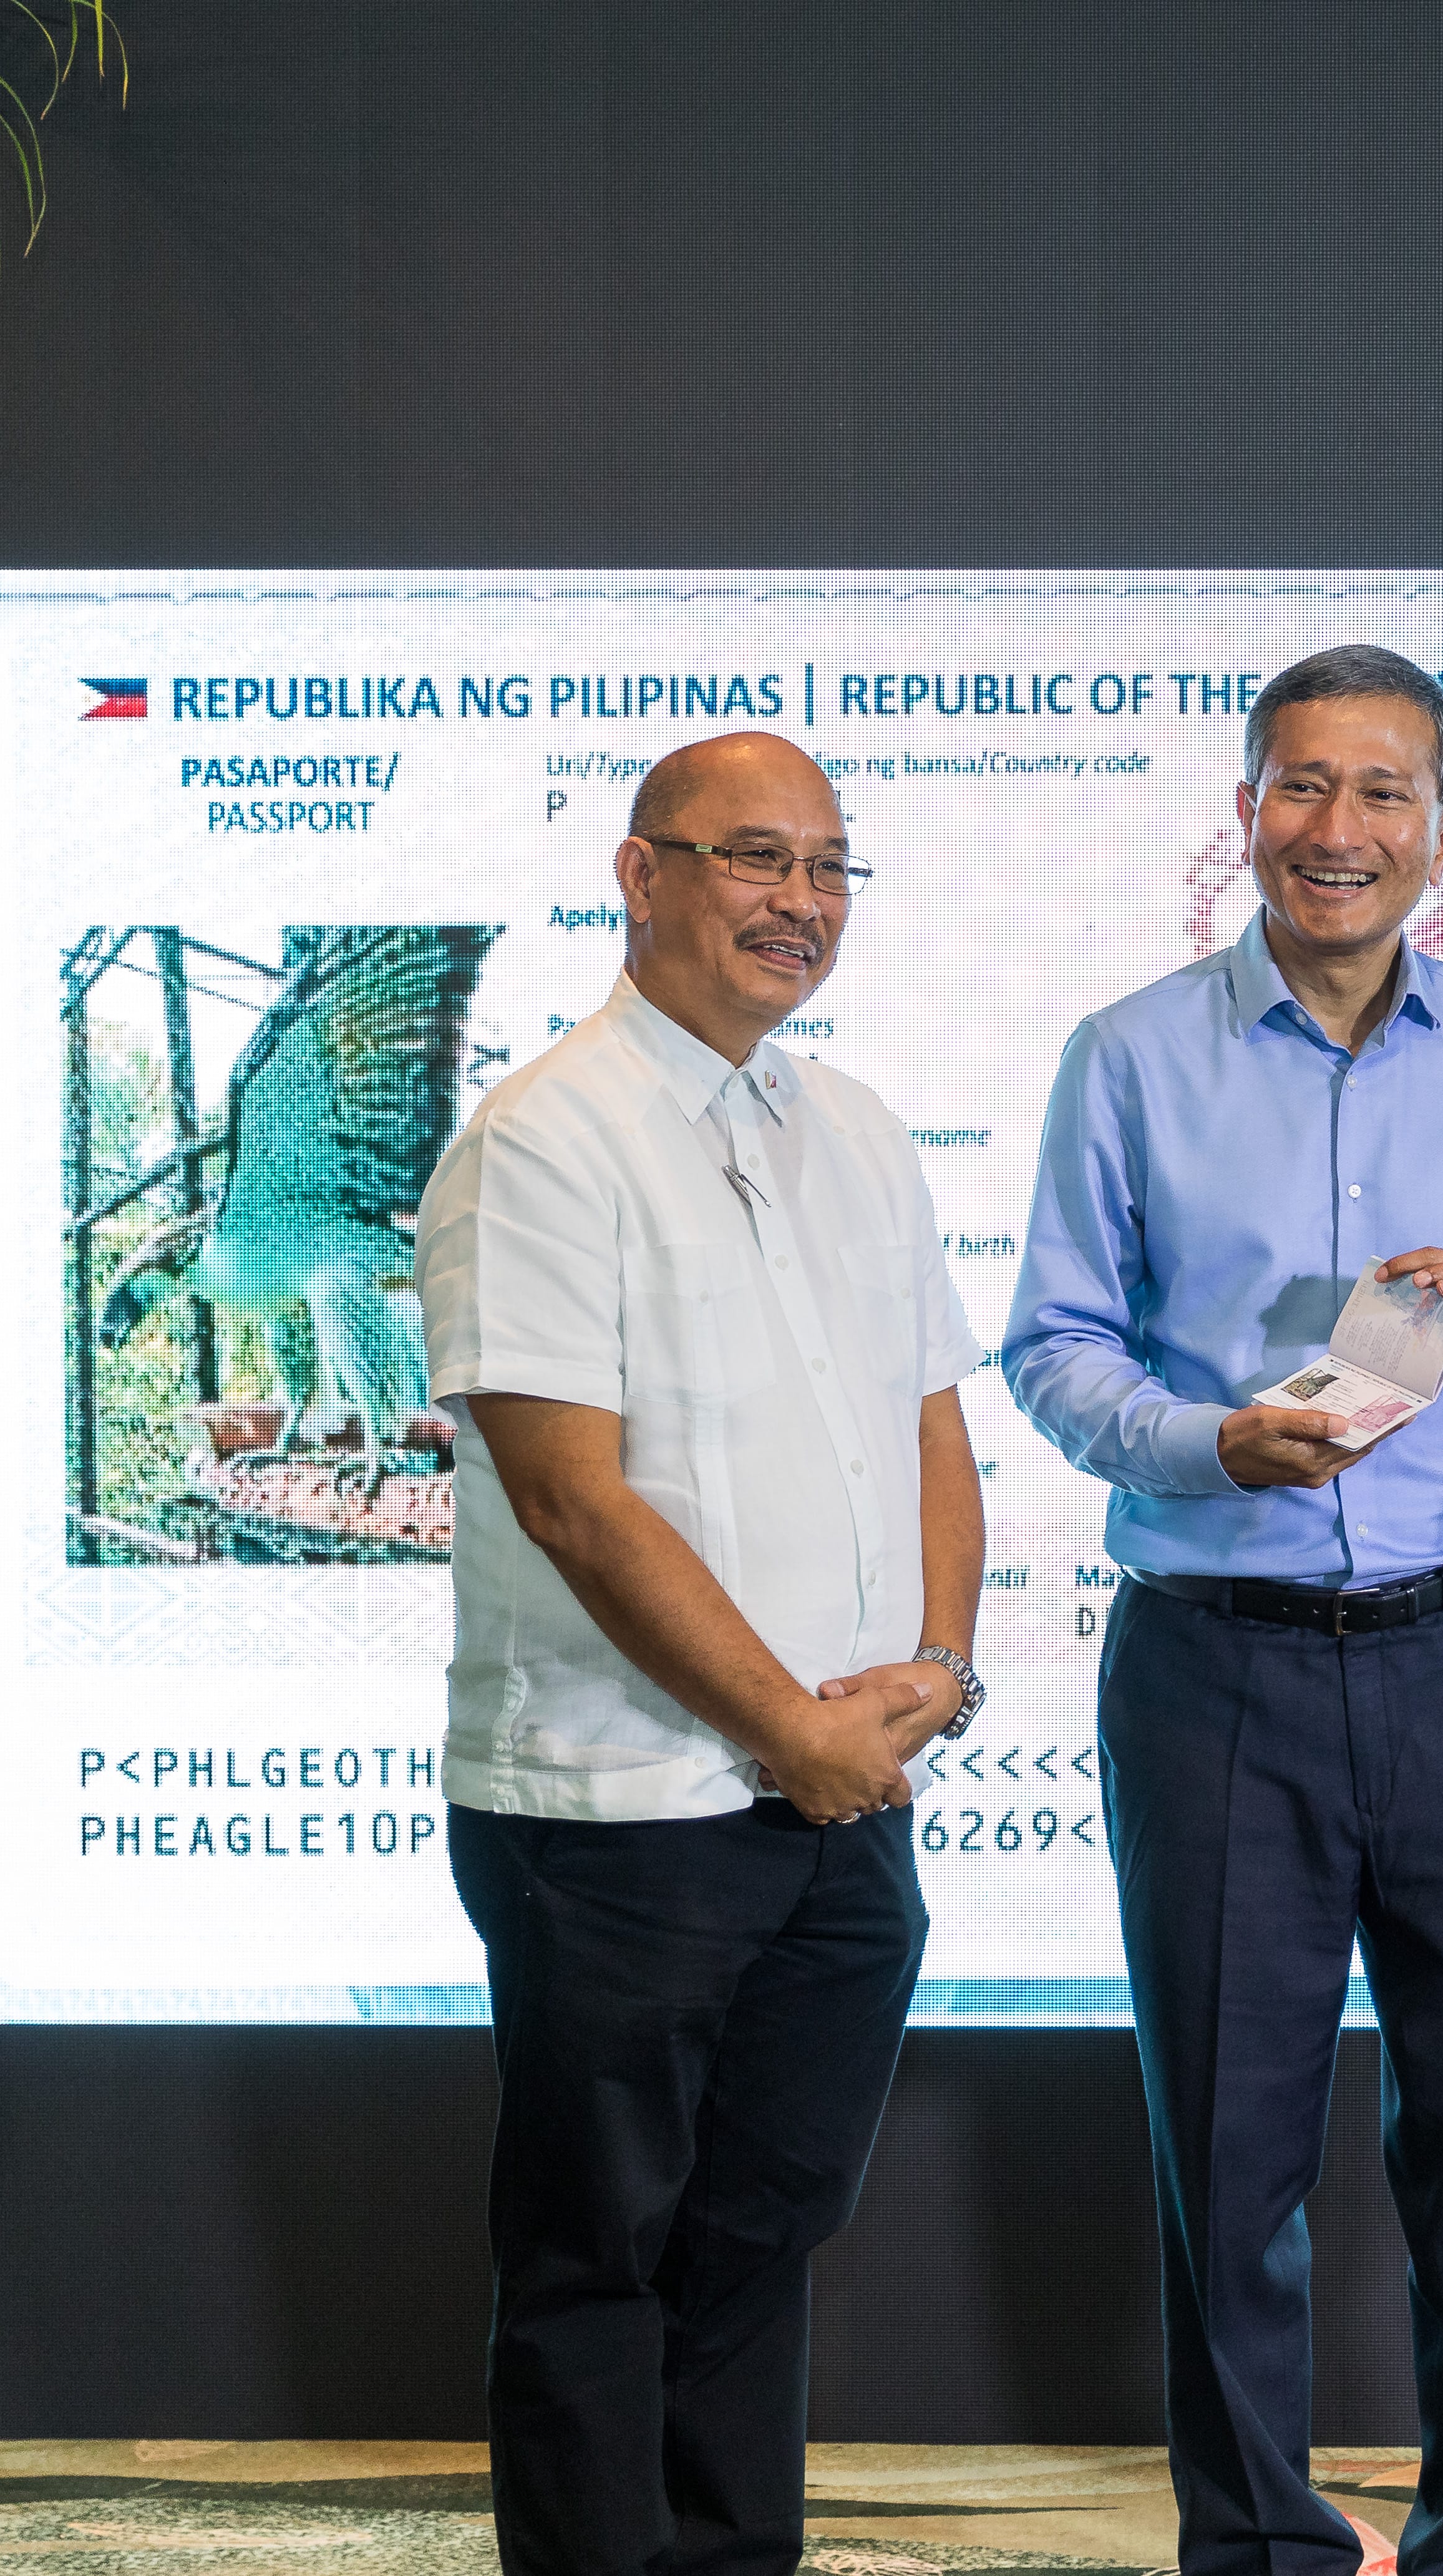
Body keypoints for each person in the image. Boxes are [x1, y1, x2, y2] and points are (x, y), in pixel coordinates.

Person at [1004, 646, 1443, 2576]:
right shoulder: (1129, 1055)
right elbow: (1053, 1346)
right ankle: (1260, 2549)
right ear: (1244, 813)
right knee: (1227, 2160)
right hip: (1215, 1668)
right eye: (1302, 785)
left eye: (1384, 791)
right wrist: (1207, 1439)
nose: (1339, 828)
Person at [419, 729, 991, 2576]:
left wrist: (938, 1666)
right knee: (600, 2265)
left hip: (840, 1806)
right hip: (617, 1815)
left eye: (827, 867)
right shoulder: (540, 1140)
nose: (797, 901)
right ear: (640, 874)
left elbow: (932, 1427)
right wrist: (786, 1728)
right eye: (754, 857)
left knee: (762, 2243)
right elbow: (573, 1501)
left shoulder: (859, 1133)